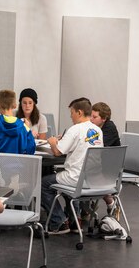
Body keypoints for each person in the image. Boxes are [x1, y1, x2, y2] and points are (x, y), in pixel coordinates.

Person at [41, 98, 104, 234]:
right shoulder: (98, 130)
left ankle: (58, 221)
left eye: (72, 113)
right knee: (65, 183)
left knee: (43, 184)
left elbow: (58, 152)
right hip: (92, 179)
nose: (71, 116)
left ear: (79, 112)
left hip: (75, 178)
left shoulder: (75, 129)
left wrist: (53, 142)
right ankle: (75, 221)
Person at [0, 90, 36, 155]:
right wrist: (27, 129)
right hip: (17, 162)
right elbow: (31, 150)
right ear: (15, 105)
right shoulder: (24, 127)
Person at [90, 102, 121, 214]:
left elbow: (97, 147)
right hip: (99, 163)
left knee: (81, 174)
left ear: (104, 119)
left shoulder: (109, 128)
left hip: (109, 168)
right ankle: (84, 210)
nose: (91, 119)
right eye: (91, 116)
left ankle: (109, 202)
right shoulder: (95, 127)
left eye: (94, 117)